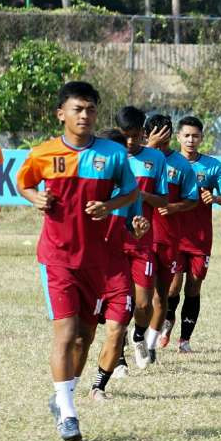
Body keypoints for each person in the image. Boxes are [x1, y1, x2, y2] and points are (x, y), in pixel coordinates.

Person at [16, 81, 138, 441]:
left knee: (85, 339)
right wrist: (34, 198)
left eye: (90, 110)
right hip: (57, 258)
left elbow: (130, 191)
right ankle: (68, 412)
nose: (85, 116)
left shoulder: (113, 155)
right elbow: (23, 183)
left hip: (96, 261)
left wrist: (109, 206)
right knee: (66, 334)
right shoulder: (44, 154)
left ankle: (60, 396)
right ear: (61, 114)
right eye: (77, 109)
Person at [91, 129, 151, 401]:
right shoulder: (87, 183)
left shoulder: (131, 191)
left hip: (116, 265)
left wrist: (137, 229)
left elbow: (132, 226)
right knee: (82, 334)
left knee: (117, 326)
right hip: (87, 266)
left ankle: (98, 386)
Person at [163, 116, 221, 354]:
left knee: (194, 287)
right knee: (172, 287)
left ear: (202, 138)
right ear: (178, 137)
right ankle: (166, 325)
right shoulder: (169, 163)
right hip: (174, 236)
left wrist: (217, 198)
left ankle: (185, 340)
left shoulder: (212, 166)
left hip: (200, 238)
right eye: (186, 135)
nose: (191, 140)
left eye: (195, 136)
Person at [113, 106, 169, 374]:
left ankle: (138, 338)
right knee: (120, 301)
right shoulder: (108, 156)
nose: (131, 142)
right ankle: (119, 354)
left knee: (144, 303)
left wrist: (142, 196)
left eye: (136, 136)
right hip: (113, 239)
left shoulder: (156, 159)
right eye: (126, 136)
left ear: (143, 134)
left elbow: (164, 200)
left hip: (143, 240)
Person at [144, 114, 199, 361]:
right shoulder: (134, 159)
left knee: (161, 296)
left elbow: (192, 198)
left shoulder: (181, 165)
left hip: (168, 239)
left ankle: (150, 345)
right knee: (139, 297)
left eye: (166, 141)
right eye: (158, 139)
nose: (162, 146)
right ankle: (132, 336)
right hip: (138, 238)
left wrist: (175, 207)